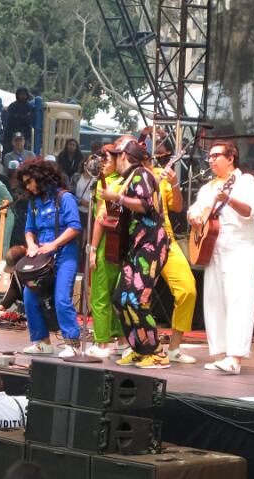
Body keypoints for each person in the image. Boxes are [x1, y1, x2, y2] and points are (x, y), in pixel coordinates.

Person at [187, 141, 254, 374]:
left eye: (216, 155)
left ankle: (235, 357)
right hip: (212, 249)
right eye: (209, 156)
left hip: (239, 249)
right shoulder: (208, 187)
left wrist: (228, 199)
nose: (211, 160)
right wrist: (193, 218)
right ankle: (222, 355)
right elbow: (194, 210)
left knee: (239, 301)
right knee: (214, 301)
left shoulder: (245, 181)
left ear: (231, 158)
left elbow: (250, 211)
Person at [98, 139, 170, 369]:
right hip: (136, 245)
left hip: (151, 244)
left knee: (139, 299)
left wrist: (116, 198)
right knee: (121, 299)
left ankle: (156, 352)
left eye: (115, 156)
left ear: (124, 156)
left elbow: (145, 204)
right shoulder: (127, 178)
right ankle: (139, 349)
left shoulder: (141, 174)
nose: (112, 160)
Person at [17, 159, 82, 358]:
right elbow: (29, 229)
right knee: (29, 296)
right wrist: (31, 245)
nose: (28, 187)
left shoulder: (65, 197)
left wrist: (54, 244)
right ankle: (42, 342)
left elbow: (75, 227)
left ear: (40, 177)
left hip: (64, 255)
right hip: (42, 258)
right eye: (25, 183)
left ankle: (73, 343)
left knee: (62, 298)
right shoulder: (34, 202)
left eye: (29, 182)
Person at [150, 144, 197, 364]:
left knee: (187, 289)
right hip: (140, 240)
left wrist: (175, 183)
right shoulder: (126, 178)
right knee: (135, 294)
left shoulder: (159, 174)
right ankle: (136, 344)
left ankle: (174, 348)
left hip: (166, 238)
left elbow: (177, 207)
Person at [86, 143, 129, 358]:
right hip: (121, 244)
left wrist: (93, 248)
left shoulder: (109, 185)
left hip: (105, 243)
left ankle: (102, 342)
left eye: (107, 159)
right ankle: (121, 341)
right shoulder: (125, 180)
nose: (103, 163)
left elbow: (100, 219)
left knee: (100, 294)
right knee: (117, 296)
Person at [3, 86, 34, 154]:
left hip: (25, 135)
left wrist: (18, 117)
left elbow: (29, 120)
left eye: (24, 94)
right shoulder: (12, 106)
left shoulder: (29, 107)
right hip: (11, 134)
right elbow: (11, 120)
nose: (22, 96)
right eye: (20, 94)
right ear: (17, 95)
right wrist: (23, 117)